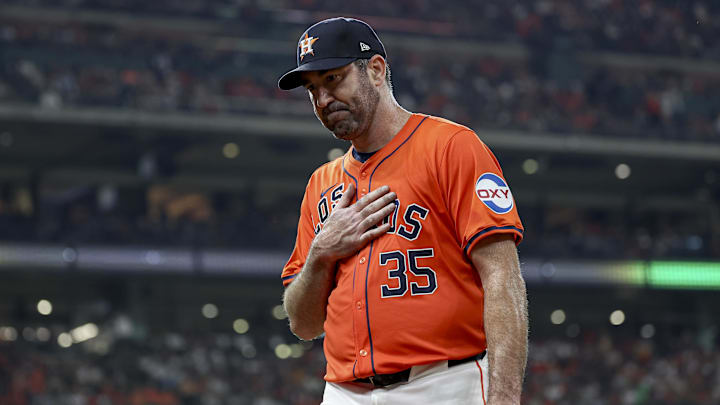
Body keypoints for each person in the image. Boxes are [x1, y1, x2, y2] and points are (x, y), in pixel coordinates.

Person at [278, 17, 527, 405]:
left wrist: (505, 398)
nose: (322, 99)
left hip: (443, 384)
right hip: (344, 392)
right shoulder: (320, 183)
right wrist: (320, 254)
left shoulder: (451, 148)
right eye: (311, 89)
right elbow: (304, 324)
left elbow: (502, 277)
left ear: (375, 70)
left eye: (333, 79)